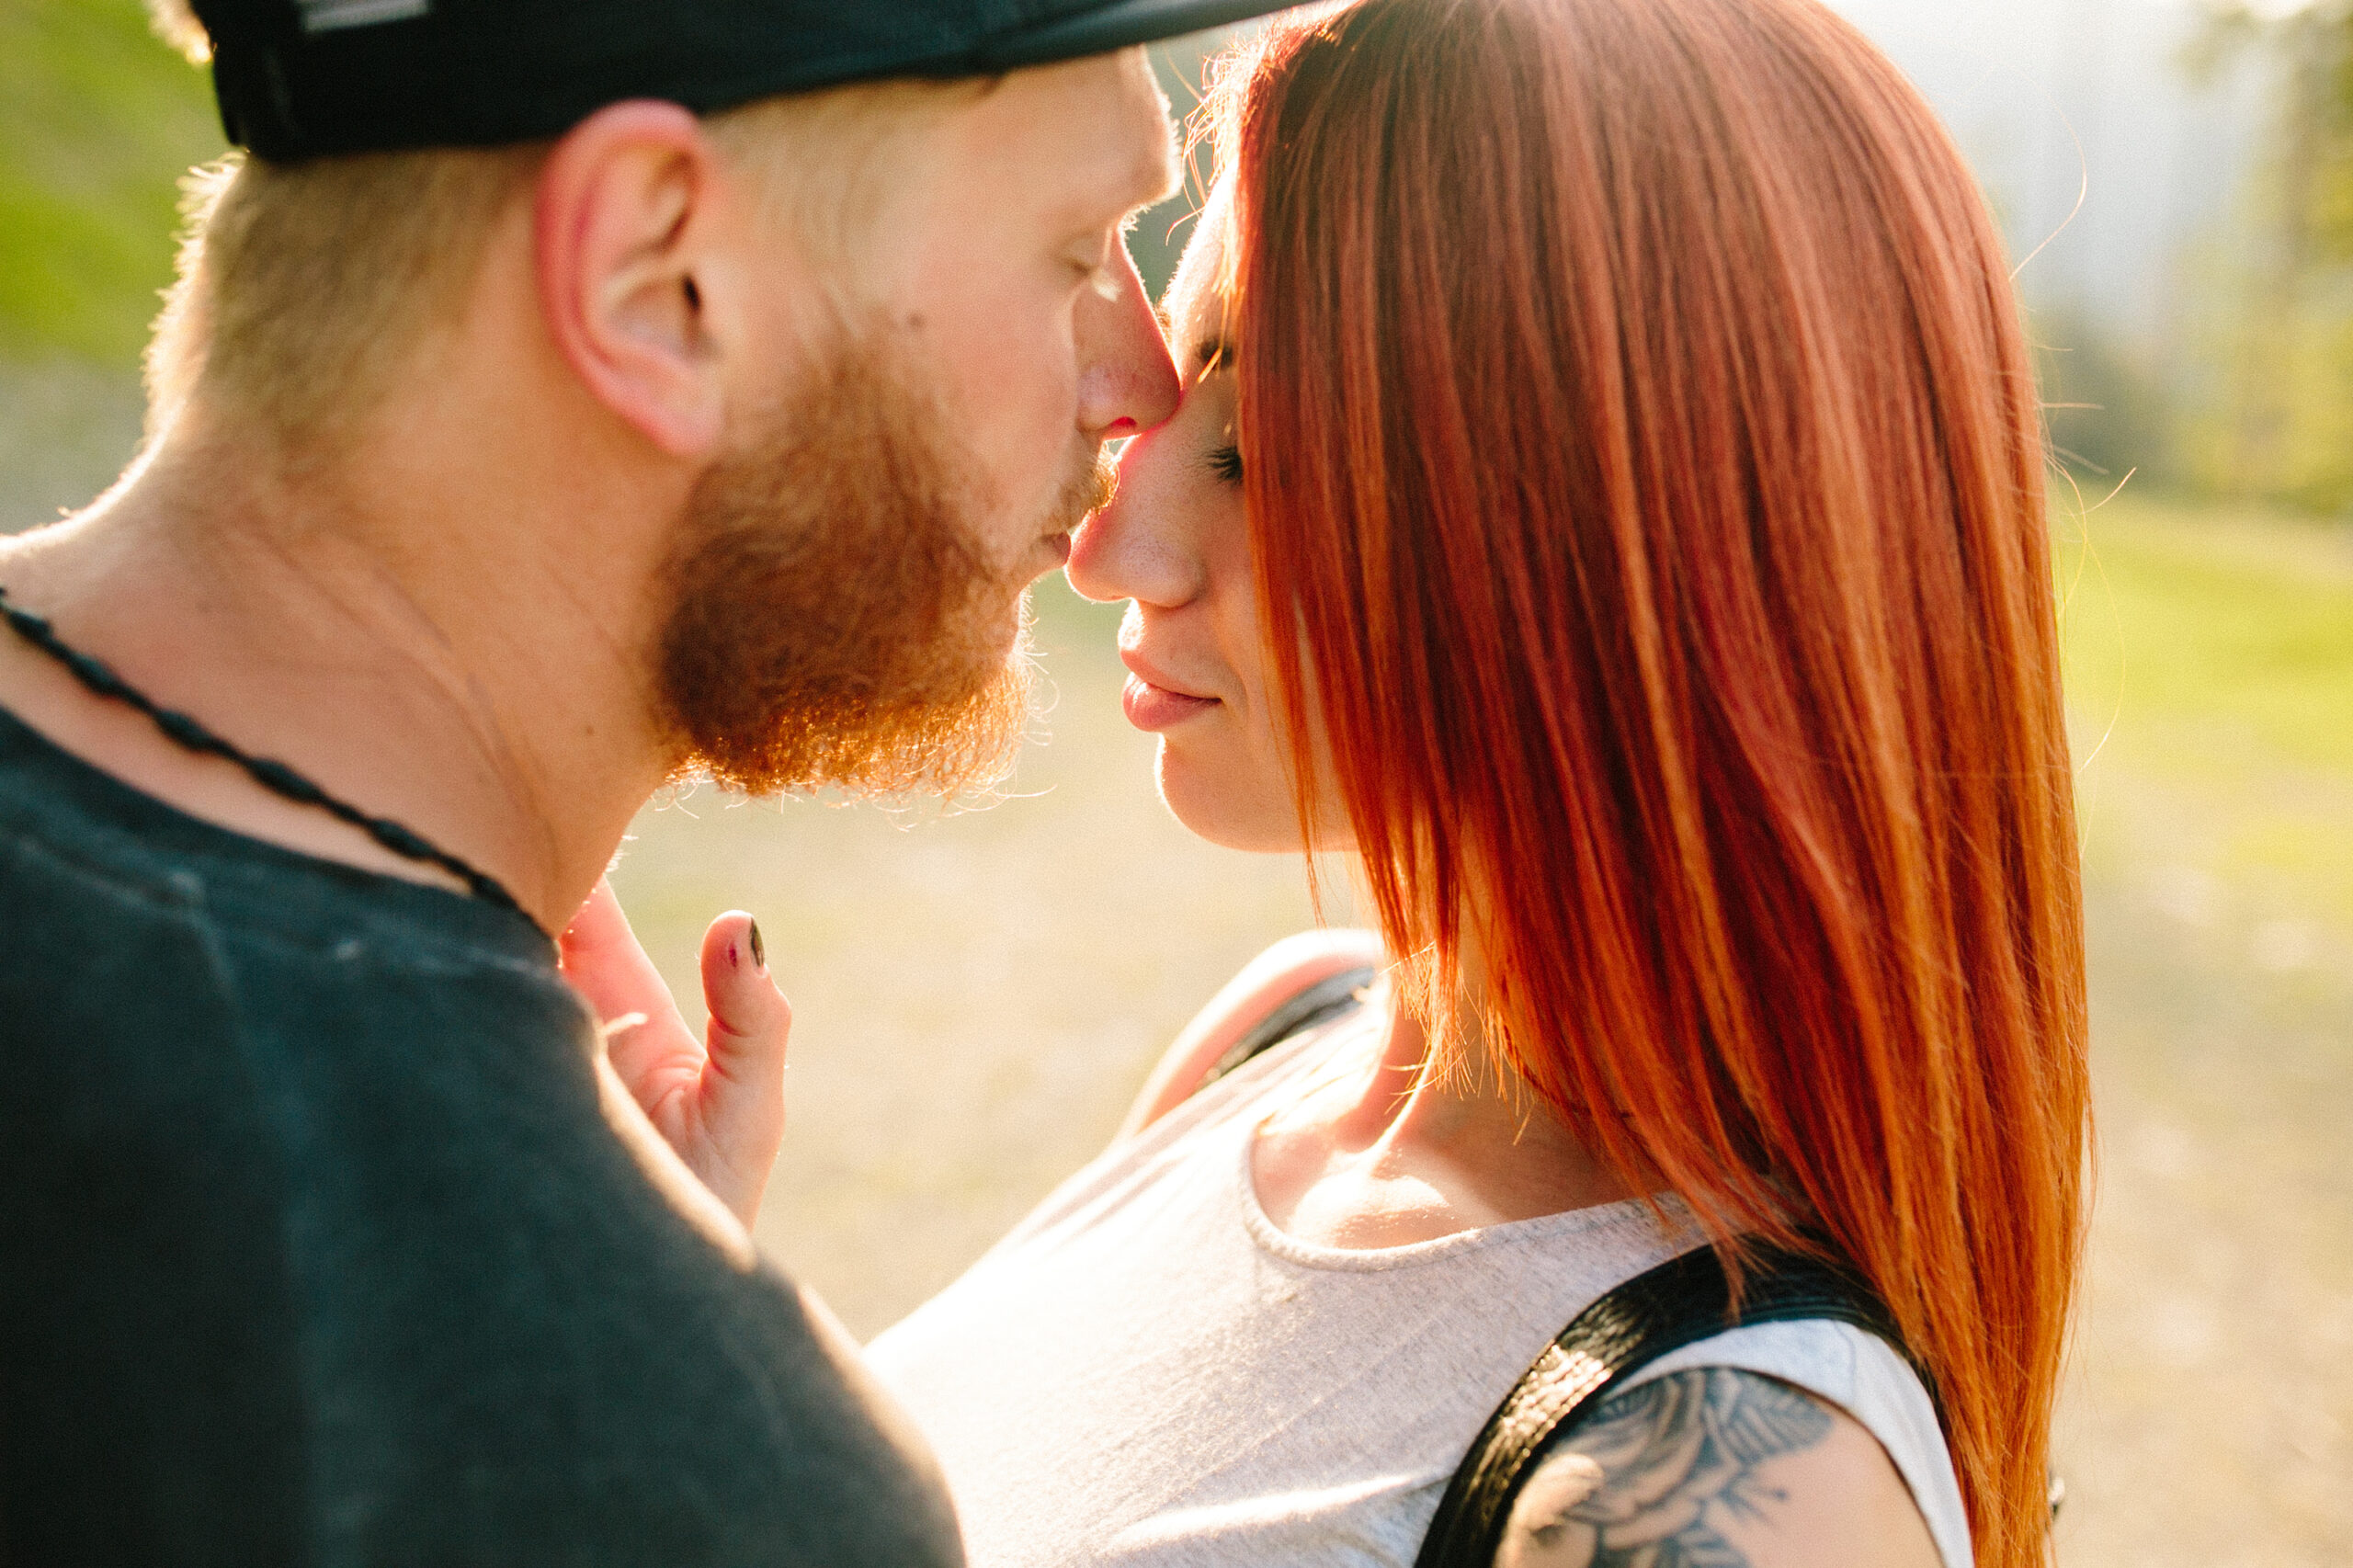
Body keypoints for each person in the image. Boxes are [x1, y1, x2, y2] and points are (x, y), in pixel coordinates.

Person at [592, 0, 2089, 1564]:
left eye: (1262, 449)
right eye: (1180, 402)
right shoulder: (1282, 1037)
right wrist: (674, 1314)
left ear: (1621, 539)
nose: (1109, 546)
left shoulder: (1722, 1484)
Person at [0, 0, 1305, 1560]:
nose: (1143, 391)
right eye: (1076, 248)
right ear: (658, 284)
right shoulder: (666, 1471)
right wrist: (600, 1373)